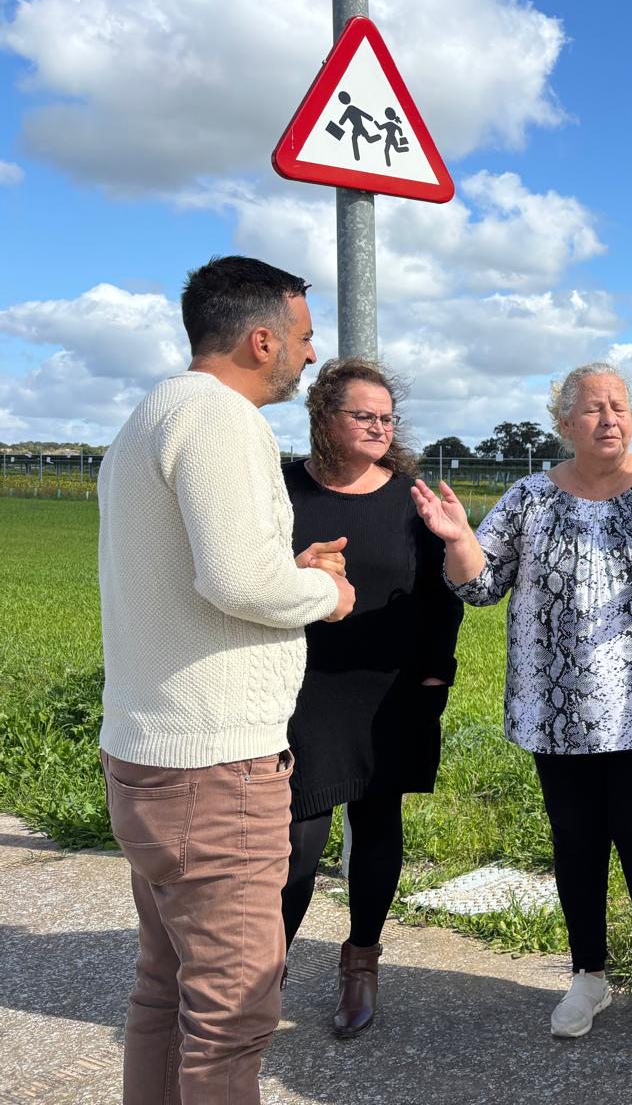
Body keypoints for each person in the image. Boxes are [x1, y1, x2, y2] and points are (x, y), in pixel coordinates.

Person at [412, 362, 632, 1041]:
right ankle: (588, 974)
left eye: (619, 406)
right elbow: (479, 586)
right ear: (563, 423)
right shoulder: (529, 496)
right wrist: (458, 539)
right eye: (592, 409)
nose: (609, 418)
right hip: (557, 703)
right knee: (577, 841)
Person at [97, 255, 354, 1104]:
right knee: (233, 1017)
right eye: (305, 338)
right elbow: (239, 584)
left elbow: (209, 572)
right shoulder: (224, 420)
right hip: (215, 769)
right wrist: (324, 591)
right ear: (260, 338)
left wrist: (285, 571)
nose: (310, 356)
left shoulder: (155, 412)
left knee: (164, 990)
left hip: (150, 750)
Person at [279, 358, 464, 1038]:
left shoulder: (411, 496)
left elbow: (441, 593)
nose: (381, 427)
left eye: (387, 417)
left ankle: (361, 961)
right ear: (326, 418)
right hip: (300, 689)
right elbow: (248, 573)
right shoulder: (281, 488)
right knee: (300, 840)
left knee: (379, 824)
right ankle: (267, 970)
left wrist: (436, 675)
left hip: (392, 690)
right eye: (365, 415)